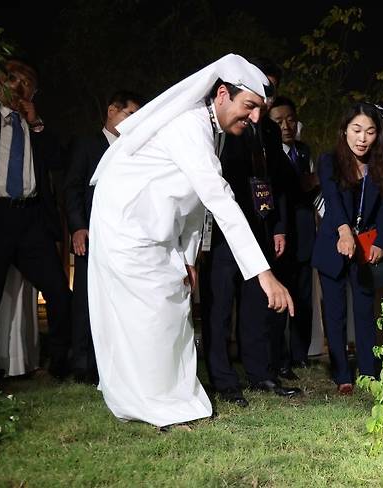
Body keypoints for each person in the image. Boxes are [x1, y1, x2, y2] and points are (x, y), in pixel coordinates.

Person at [87, 54, 294, 429]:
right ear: (221, 94)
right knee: (150, 316)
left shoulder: (210, 128)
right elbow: (219, 198)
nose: (254, 119)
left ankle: (169, 398)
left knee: (172, 311)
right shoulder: (188, 126)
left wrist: (190, 258)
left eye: (260, 110)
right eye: (249, 106)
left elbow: (196, 206)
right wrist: (264, 274)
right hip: (129, 227)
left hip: (159, 230)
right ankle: (155, 406)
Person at [0, 59, 72, 388]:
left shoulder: (33, 126)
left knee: (58, 291)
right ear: (0, 83)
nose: (21, 89)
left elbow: (58, 160)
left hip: (30, 219)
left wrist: (36, 122)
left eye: (28, 85)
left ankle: (58, 365)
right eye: (15, 81)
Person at [200, 78, 300, 407]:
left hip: (259, 227)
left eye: (266, 98)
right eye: (256, 100)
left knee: (256, 306)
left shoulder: (266, 130)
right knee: (219, 307)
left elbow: (279, 182)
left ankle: (260, 374)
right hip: (223, 232)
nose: (260, 109)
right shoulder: (218, 128)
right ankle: (224, 381)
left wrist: (278, 226)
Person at [311, 102, 383, 395]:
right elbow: (332, 200)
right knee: (334, 313)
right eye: (356, 130)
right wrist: (344, 232)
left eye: (370, 132)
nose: (362, 138)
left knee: (364, 311)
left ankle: (369, 372)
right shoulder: (329, 160)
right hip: (333, 246)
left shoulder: (382, 165)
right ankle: (342, 375)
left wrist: (381, 242)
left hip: (364, 250)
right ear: (344, 130)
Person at [64, 90, 144, 385]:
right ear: (112, 110)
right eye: (130, 115)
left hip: (126, 240)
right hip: (92, 237)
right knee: (86, 301)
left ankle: (114, 364)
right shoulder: (86, 145)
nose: (134, 122)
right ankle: (82, 365)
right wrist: (77, 227)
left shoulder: (136, 151)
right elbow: (72, 188)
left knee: (119, 304)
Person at [268, 96, 319, 376]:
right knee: (280, 298)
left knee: (304, 296)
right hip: (280, 233)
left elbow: (309, 190)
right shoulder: (267, 152)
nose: (286, 126)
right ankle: (279, 357)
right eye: (278, 121)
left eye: (289, 119)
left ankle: (301, 354)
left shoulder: (303, 150)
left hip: (304, 232)